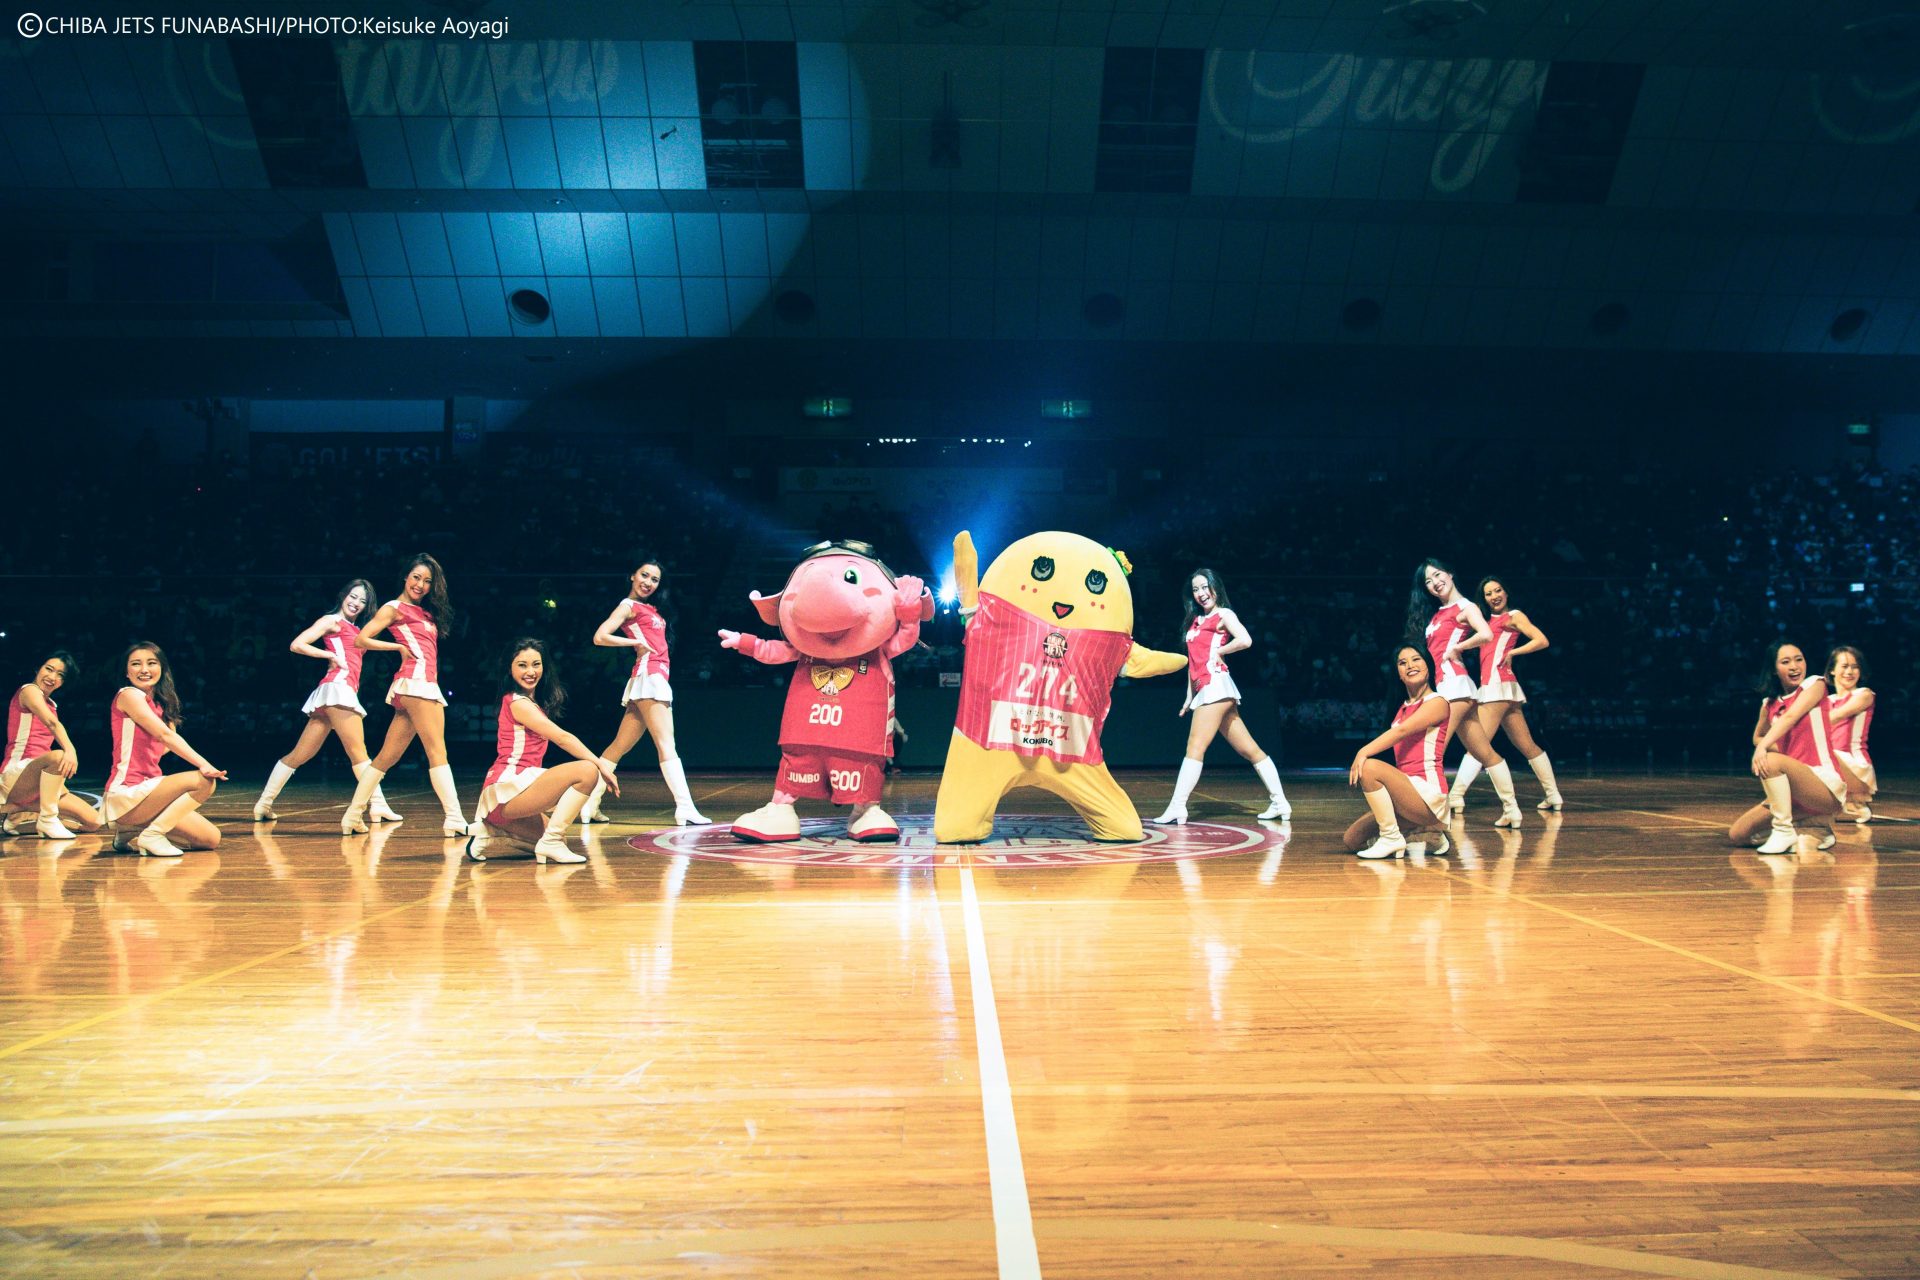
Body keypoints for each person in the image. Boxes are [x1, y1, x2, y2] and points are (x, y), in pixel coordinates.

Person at [251, 578, 404, 825]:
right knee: (359, 754)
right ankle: (378, 805)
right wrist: (329, 655)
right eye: (353, 596)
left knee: (299, 755)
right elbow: (297, 645)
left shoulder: (356, 629)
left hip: (336, 692)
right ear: (343, 595)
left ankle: (263, 804)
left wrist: (397, 646)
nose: (356, 603)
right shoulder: (331, 621)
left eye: (362, 601)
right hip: (337, 690)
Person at [340, 554, 471, 836]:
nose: (420, 585)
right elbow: (361, 639)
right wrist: (397, 648)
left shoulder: (426, 613)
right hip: (416, 683)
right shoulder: (393, 608)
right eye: (416, 577)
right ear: (405, 577)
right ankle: (455, 818)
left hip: (419, 684)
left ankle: (352, 815)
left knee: (386, 757)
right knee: (437, 751)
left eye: (427, 581)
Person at [1151, 568, 1290, 824]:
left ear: (1216, 587)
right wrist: (1189, 697)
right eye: (1196, 589)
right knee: (1250, 750)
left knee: (1195, 747)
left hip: (1215, 686)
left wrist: (1220, 651)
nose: (1201, 593)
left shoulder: (1224, 614)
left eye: (1205, 587)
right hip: (1207, 688)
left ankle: (1177, 806)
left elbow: (1245, 640)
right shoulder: (1195, 621)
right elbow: (1193, 664)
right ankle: (1280, 802)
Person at [578, 558, 709, 826]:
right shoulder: (628, 606)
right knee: (666, 744)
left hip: (649, 676)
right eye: (644, 575)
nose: (648, 582)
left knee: (618, 747)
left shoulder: (651, 608)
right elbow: (600, 636)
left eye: (654, 579)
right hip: (651, 677)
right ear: (632, 576)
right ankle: (685, 807)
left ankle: (590, 804)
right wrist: (634, 642)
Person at [466, 638, 620, 864]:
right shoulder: (518, 703)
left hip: (508, 799)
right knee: (587, 771)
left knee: (550, 838)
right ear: (509, 668)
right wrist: (601, 765)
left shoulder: (529, 702)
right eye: (522, 665)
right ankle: (551, 842)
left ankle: (491, 832)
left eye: (536, 664)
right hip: (508, 789)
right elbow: (562, 738)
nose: (531, 671)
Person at [1409, 558, 1522, 827]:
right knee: (1485, 753)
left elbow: (1486, 634)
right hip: (1449, 688)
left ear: (1450, 574)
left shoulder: (1466, 607)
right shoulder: (1438, 614)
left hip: (1455, 687)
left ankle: (1426, 814)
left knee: (1432, 750)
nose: (1435, 583)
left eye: (1438, 575)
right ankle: (1512, 810)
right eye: (1428, 581)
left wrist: (1458, 648)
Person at [1727, 641, 1867, 855]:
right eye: (1785, 662)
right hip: (1793, 788)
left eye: (1798, 659)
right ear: (1774, 670)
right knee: (1739, 834)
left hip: (1823, 783)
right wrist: (1780, 746)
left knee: (1770, 761)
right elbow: (1758, 736)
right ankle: (1813, 828)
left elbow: (1791, 716)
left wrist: (1763, 748)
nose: (1794, 666)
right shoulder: (1769, 704)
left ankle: (1784, 830)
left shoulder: (1814, 684)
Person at [1449, 575, 1565, 813]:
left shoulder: (1514, 616)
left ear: (1506, 592)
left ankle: (1455, 796)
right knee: (1527, 745)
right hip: (1499, 687)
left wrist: (1514, 653)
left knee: (1478, 744)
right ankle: (1553, 795)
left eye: (1498, 590)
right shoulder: (1485, 622)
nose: (1494, 596)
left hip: (1497, 686)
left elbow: (1542, 640)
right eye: (1488, 593)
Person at [103, 642, 226, 857]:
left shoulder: (158, 704)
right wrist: (204, 764)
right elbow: (165, 737)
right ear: (126, 672)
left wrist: (168, 722)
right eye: (136, 664)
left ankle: (129, 829)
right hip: (128, 792)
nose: (144, 669)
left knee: (210, 839)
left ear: (162, 668)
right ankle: (152, 835)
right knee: (204, 780)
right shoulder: (128, 695)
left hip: (150, 792)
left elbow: (161, 748)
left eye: (152, 663)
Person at [1341, 644, 1453, 860]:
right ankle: (1427, 833)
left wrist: (1363, 751)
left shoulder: (1437, 702)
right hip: (1406, 793)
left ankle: (1392, 837)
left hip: (1428, 795)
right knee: (1352, 839)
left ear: (1428, 666)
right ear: (1399, 674)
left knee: (1369, 767)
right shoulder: (1402, 708)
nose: (1410, 665)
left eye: (1416, 659)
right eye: (1403, 663)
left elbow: (1402, 731)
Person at [1, 651, 102, 838]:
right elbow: (52, 724)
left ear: (63, 682)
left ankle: (19, 815)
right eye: (49, 669)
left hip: (42, 780)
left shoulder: (51, 704)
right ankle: (46, 818)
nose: (52, 677)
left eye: (60, 675)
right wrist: (70, 750)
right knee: (58, 756)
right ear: (38, 668)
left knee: (94, 822)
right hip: (19, 774)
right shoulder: (29, 690)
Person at [1823, 645, 1875, 824]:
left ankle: (1853, 801)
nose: (1850, 672)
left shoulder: (1864, 694)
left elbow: (1836, 716)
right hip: (1834, 761)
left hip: (1855, 766)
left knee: (1821, 755)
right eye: (1844, 666)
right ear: (1832, 670)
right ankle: (1846, 804)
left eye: (1855, 667)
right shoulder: (1826, 701)